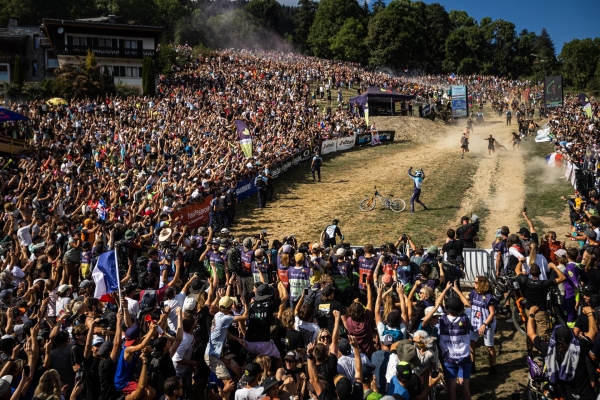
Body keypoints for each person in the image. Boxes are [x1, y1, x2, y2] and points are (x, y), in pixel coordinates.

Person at [527, 305, 597, 400]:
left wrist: (531, 315)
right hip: (586, 396)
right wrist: (590, 314)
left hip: (567, 396)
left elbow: (531, 334)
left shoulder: (549, 350)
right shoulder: (579, 347)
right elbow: (593, 331)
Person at [516, 258, 566, 355]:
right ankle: (543, 354)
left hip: (529, 309)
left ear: (530, 272)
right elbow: (562, 278)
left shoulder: (526, 281)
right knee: (544, 335)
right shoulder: (544, 284)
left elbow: (517, 270)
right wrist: (554, 267)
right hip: (541, 311)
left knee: (530, 332)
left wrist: (521, 261)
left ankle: (529, 353)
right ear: (539, 273)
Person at [468, 276, 497, 374]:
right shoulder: (473, 293)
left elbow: (492, 313)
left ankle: (493, 368)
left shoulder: (489, 297)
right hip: (474, 324)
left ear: (482, 284)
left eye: (476, 282)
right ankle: (472, 366)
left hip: (486, 324)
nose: (474, 284)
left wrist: (484, 324)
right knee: (471, 344)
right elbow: (466, 302)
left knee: (489, 347)